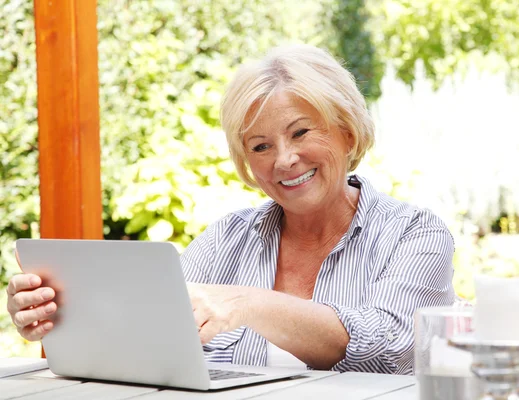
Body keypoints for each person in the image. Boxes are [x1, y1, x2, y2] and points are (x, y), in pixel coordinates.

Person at [6, 44, 455, 374]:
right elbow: (149, 328)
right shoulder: (228, 239)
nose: (283, 160)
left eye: (300, 133)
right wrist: (58, 317)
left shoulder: (414, 233)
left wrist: (247, 304)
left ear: (348, 134)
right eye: (261, 146)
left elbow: (393, 344)